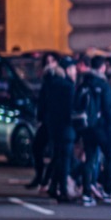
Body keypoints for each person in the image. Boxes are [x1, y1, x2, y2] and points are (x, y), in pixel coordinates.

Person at [75, 55, 111, 206]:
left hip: (86, 127)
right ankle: (106, 192)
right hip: (101, 128)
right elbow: (108, 109)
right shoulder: (103, 85)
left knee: (89, 159)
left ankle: (86, 194)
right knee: (109, 156)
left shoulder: (84, 82)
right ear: (103, 67)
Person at [44, 57, 79, 202]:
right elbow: (70, 109)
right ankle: (63, 191)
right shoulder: (68, 86)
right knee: (64, 159)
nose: (75, 72)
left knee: (58, 157)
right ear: (67, 70)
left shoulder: (51, 84)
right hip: (66, 127)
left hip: (54, 127)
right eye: (73, 69)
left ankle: (53, 187)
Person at [26, 52, 60, 190]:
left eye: (52, 60)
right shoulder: (46, 79)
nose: (49, 63)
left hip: (55, 121)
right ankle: (40, 177)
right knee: (37, 148)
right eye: (47, 61)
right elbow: (42, 101)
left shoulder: (57, 77)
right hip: (46, 121)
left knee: (56, 152)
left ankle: (47, 180)